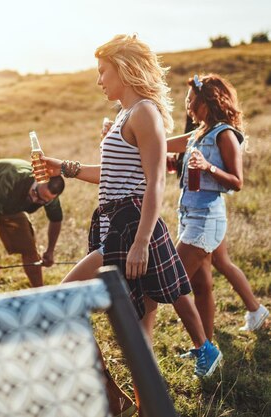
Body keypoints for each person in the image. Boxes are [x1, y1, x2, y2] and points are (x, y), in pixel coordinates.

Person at [38, 33, 222, 415]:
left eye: (103, 71)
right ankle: (140, 407)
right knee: (140, 336)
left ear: (123, 69)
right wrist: (66, 168)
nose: (99, 79)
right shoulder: (126, 115)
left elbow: (154, 180)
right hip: (115, 224)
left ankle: (111, 393)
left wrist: (140, 242)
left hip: (132, 228)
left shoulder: (145, 113)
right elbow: (115, 173)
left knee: (61, 300)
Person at [166, 74, 268, 342]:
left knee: (173, 282)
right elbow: (159, 145)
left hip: (206, 217)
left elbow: (237, 181)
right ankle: (208, 346)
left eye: (190, 100)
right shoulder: (197, 134)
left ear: (205, 100)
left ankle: (205, 347)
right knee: (202, 283)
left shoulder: (224, 134)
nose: (187, 106)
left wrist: (208, 167)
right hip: (189, 215)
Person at [0, 158, 64, 287]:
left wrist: (50, 251)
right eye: (35, 193)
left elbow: (56, 220)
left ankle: (39, 292)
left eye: (41, 201)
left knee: (29, 247)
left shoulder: (49, 196)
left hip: (12, 203)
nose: (34, 199)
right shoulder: (10, 180)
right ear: (37, 179)